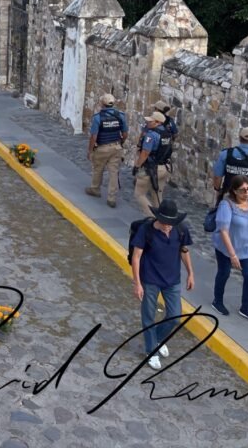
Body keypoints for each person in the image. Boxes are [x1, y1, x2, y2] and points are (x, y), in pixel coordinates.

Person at [130, 199, 194, 370]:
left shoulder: (180, 229)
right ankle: (151, 351)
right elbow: (136, 257)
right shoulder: (146, 230)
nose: (167, 226)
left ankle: (156, 339)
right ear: (158, 218)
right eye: (165, 222)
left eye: (170, 223)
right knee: (148, 316)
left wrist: (191, 273)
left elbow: (184, 251)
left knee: (175, 316)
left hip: (172, 280)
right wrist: (137, 283)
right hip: (150, 279)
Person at [211, 174, 248, 323]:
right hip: (226, 248)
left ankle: (245, 308)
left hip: (247, 248)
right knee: (224, 273)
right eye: (242, 190)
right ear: (234, 191)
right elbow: (223, 231)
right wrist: (232, 255)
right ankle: (217, 301)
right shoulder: (226, 205)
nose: (246, 193)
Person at [85, 94, 128, 208]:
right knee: (114, 173)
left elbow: (94, 136)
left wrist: (90, 150)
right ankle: (111, 198)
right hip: (116, 147)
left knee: (98, 169)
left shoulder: (98, 117)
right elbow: (125, 133)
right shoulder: (120, 116)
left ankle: (95, 189)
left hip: (102, 147)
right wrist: (121, 142)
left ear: (102, 104)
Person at [132, 111, 171, 215]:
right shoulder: (167, 133)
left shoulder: (151, 135)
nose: (148, 123)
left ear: (158, 122)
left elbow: (145, 153)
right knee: (157, 195)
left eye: (151, 121)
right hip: (164, 167)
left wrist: (137, 166)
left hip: (151, 168)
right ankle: (161, 218)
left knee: (139, 194)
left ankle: (152, 216)